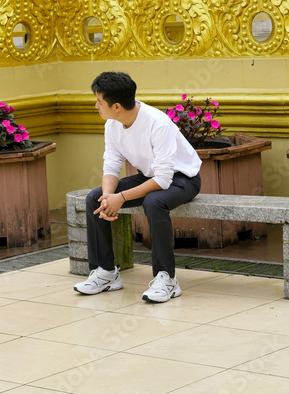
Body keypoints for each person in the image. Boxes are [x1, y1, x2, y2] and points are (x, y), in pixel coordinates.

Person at [74, 70, 202, 303]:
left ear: (117, 106)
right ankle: (107, 273)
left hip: (183, 178)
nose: (96, 106)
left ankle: (168, 279)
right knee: (95, 198)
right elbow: (111, 166)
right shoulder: (113, 124)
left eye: (99, 101)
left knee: (154, 202)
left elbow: (164, 180)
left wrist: (120, 197)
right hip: (150, 176)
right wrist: (108, 198)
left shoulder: (157, 124)